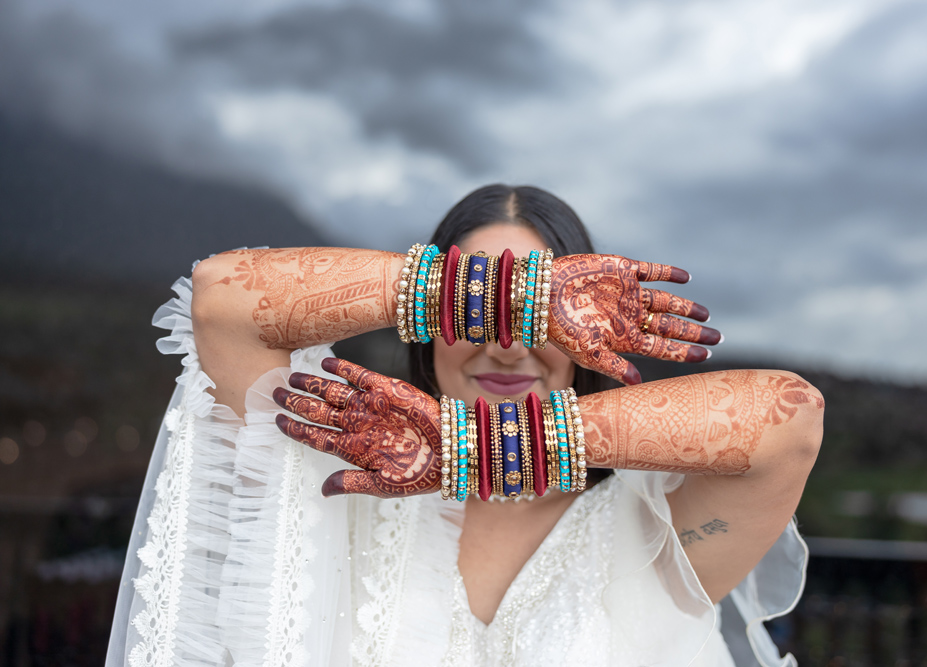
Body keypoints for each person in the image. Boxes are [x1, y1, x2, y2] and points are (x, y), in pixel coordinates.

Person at [106, 184, 822, 666]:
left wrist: (472, 446)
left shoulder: (657, 528)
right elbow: (220, 300)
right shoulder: (330, 493)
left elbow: (789, 421)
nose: (507, 341)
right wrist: (508, 292)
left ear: (593, 336)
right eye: (477, 309)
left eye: (540, 311)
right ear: (423, 327)